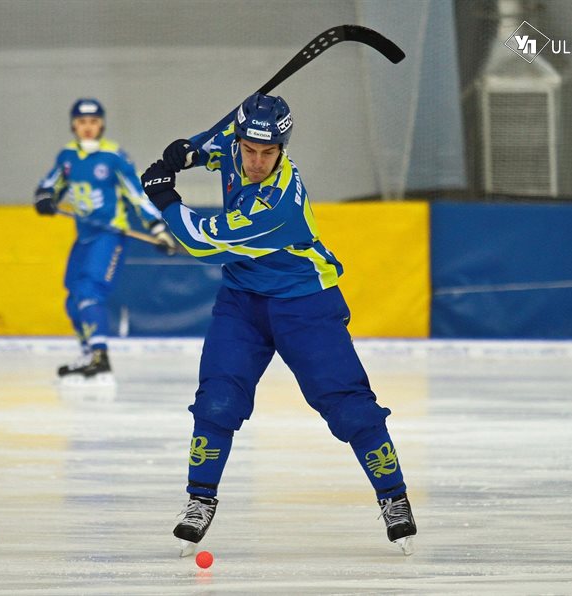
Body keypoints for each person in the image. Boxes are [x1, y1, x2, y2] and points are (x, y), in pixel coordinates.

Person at [141, 93, 417, 556]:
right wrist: (188, 152)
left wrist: (164, 195)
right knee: (218, 399)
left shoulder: (278, 205)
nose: (256, 161)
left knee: (348, 405)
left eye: (268, 153)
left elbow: (202, 240)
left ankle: (394, 497)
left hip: (303, 303)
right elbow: (215, 151)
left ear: (283, 150)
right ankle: (199, 499)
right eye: (250, 149)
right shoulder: (237, 145)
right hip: (242, 300)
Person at [35, 98, 175, 382]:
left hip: (109, 236)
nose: (88, 128)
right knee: (73, 298)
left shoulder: (114, 157)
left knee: (89, 291)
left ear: (102, 124)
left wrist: (157, 227)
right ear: (74, 125)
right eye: (82, 122)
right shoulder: (67, 156)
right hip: (84, 238)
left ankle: (100, 355)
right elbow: (51, 185)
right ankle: (88, 354)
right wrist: (45, 197)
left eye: (94, 122)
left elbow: (137, 194)